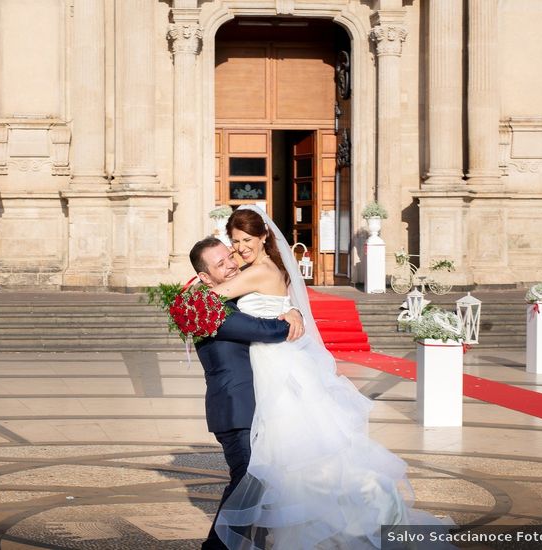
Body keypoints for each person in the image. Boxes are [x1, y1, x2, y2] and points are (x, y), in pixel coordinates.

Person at [208, 206, 448, 550]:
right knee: (287, 453)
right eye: (235, 241)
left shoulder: (258, 271)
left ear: (264, 237)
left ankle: (353, 510)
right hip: (274, 361)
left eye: (247, 239)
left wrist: (203, 278)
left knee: (291, 451)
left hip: (276, 364)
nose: (241, 247)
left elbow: (208, 299)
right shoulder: (262, 268)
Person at [188, 236, 305, 550]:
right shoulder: (208, 308)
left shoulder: (228, 300)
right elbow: (262, 330)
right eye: (219, 264)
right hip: (234, 409)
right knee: (247, 482)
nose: (229, 266)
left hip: (249, 407)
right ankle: (216, 546)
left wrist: (291, 309)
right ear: (204, 277)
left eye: (229, 258)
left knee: (258, 483)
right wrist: (293, 318)